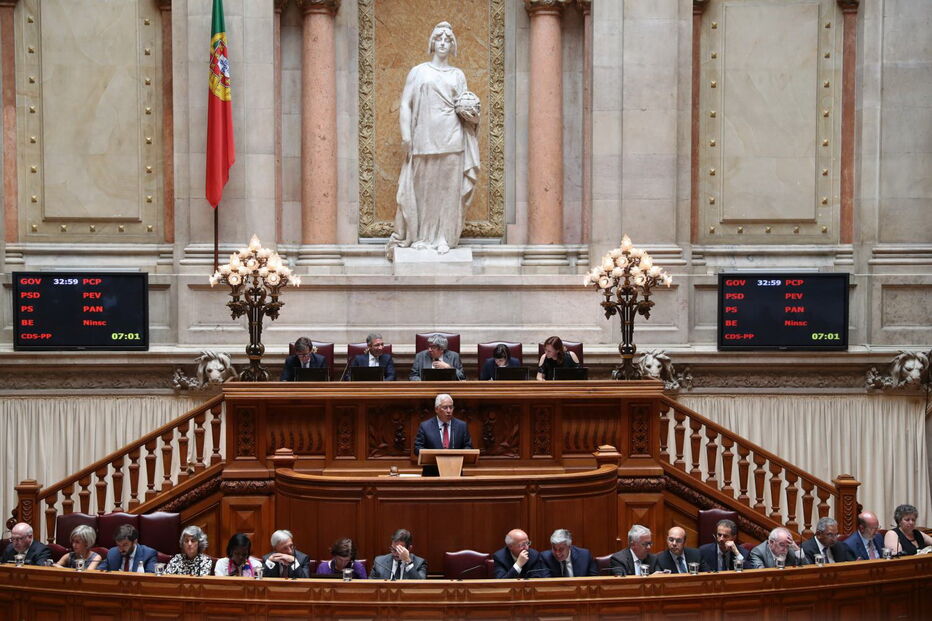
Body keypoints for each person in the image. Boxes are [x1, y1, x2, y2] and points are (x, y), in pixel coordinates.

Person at [386, 21, 480, 258]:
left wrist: (474, 113)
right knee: (423, 190)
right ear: (431, 42)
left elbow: (465, 106)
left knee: (448, 191)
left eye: (448, 40)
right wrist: (406, 135)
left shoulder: (457, 75)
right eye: (439, 38)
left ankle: (443, 238)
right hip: (423, 137)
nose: (443, 43)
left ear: (453, 45)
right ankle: (421, 237)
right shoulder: (419, 72)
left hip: (452, 138)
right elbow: (405, 104)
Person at [413, 393, 473, 476]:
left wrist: (460, 455)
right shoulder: (425, 426)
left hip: (455, 472)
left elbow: (468, 446)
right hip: (432, 474)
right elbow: (417, 448)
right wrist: (431, 455)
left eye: (451, 407)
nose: (449, 411)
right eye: (445, 407)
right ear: (437, 409)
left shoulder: (461, 426)